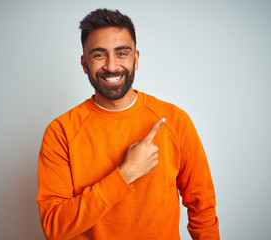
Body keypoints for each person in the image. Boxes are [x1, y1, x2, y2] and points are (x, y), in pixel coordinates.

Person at [37, 8, 219, 240]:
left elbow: (202, 207)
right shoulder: (61, 131)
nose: (112, 66)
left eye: (122, 53)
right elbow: (55, 229)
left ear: (136, 59)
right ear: (84, 64)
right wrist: (124, 175)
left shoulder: (175, 120)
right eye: (99, 55)